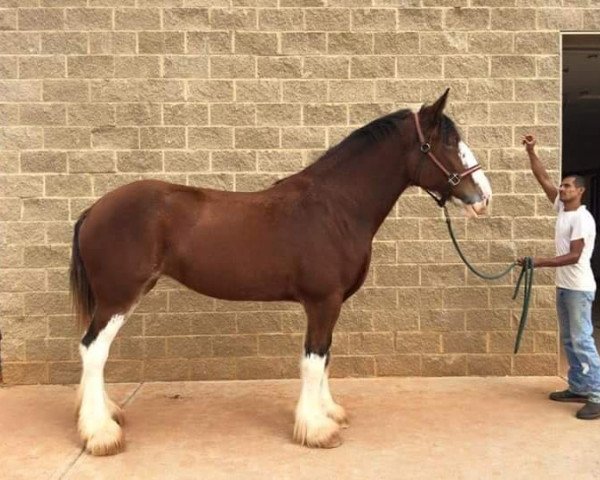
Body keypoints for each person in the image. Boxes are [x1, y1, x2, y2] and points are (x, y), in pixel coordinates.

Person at [518, 134, 600, 419]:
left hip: (578, 288)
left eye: (567, 186)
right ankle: (578, 386)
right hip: (564, 286)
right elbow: (542, 178)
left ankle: (597, 394)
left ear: (580, 191)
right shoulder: (563, 209)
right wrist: (532, 152)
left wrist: (538, 262)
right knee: (569, 339)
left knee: (582, 339)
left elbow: (575, 255)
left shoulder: (581, 218)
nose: (562, 189)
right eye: (562, 185)